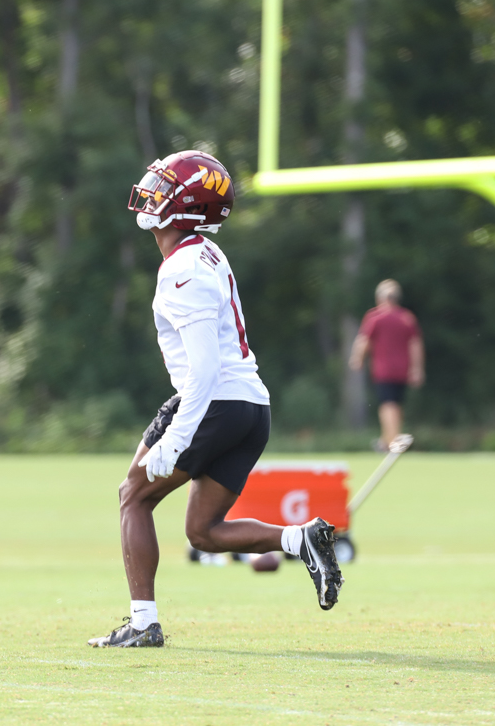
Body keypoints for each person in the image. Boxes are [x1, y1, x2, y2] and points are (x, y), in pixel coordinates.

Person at [88, 150, 343, 648]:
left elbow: (203, 371)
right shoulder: (205, 253)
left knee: (132, 498)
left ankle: (143, 624)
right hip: (251, 407)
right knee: (203, 533)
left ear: (186, 206)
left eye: (164, 187)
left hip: (212, 402)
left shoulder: (183, 267)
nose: (151, 191)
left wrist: (177, 435)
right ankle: (300, 538)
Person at [349, 279, 424, 451]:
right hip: (403, 370)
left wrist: (357, 358)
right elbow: (415, 345)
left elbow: (364, 340)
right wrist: (417, 369)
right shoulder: (407, 318)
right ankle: (386, 440)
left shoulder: (375, 317)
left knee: (387, 405)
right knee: (396, 404)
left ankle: (392, 442)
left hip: (384, 370)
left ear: (379, 298)